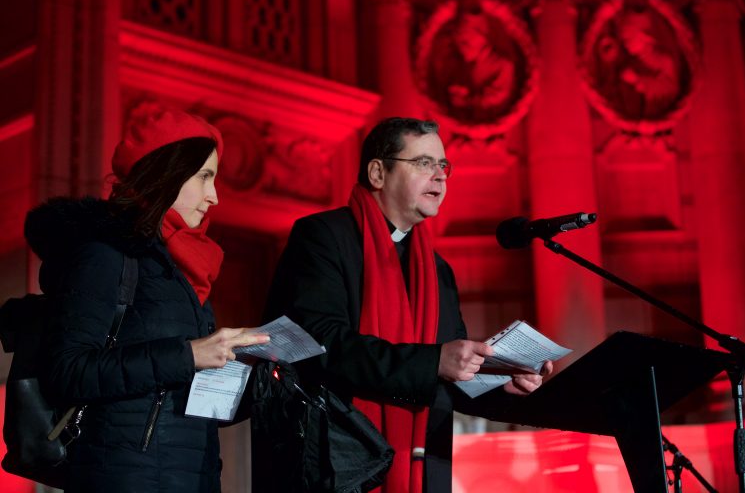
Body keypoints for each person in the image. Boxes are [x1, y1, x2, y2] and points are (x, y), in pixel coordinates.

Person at [256, 117, 553, 492]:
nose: (441, 176)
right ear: (378, 172)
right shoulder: (323, 237)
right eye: (424, 163)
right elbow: (319, 344)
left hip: (420, 468)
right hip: (334, 462)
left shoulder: (438, 269)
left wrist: (500, 381)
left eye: (443, 165)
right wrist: (434, 362)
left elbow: (447, 374)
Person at [26, 108, 269, 492]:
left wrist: (261, 387)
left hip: (193, 477)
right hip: (122, 478)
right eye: (205, 177)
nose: (214, 196)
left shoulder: (188, 270)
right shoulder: (105, 254)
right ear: (166, 173)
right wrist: (188, 354)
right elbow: (67, 371)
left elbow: (181, 402)